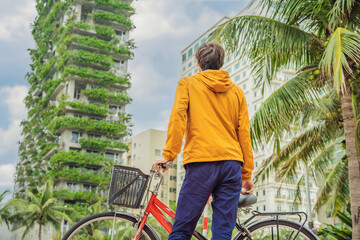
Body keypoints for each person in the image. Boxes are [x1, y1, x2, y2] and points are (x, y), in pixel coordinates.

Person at [153, 42, 254, 240]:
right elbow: (244, 134)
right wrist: (247, 174)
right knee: (223, 233)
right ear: (221, 63)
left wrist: (168, 156)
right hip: (231, 165)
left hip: (201, 164)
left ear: (198, 63)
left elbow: (177, 121)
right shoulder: (236, 92)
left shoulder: (188, 84)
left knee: (182, 230)